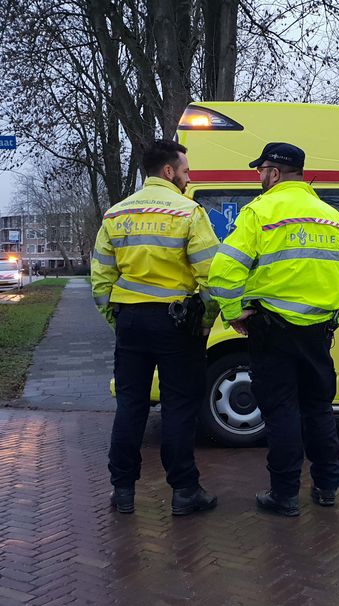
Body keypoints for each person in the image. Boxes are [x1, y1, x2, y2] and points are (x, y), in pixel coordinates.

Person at [208, 142, 339, 517]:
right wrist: (334, 316)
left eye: (261, 170)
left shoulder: (261, 211)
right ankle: (327, 487)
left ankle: (285, 495)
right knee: (319, 410)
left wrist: (233, 312)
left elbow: (223, 271)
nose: (259, 177)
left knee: (282, 411)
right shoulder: (335, 219)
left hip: (272, 330)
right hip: (319, 332)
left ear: (274, 173)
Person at [91, 138, 222, 516]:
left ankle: (122, 491)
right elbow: (210, 276)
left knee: (130, 406)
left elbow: (100, 278)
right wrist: (206, 323)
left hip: (131, 323)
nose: (187, 176)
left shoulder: (116, 215)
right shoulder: (188, 213)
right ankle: (184, 491)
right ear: (169, 171)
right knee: (179, 407)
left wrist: (116, 319)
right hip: (177, 324)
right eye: (185, 170)